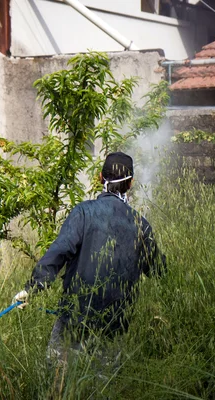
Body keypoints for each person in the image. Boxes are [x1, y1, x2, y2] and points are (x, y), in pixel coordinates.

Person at [12, 152, 166, 366]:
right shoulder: (141, 224)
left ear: (101, 178)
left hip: (74, 318)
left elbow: (59, 251)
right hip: (115, 325)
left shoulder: (83, 212)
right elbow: (160, 271)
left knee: (59, 381)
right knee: (103, 387)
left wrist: (32, 289)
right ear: (131, 184)